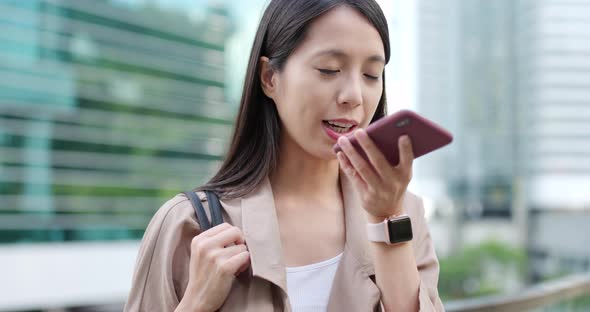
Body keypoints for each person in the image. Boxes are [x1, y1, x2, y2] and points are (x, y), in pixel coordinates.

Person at [125, 0, 444, 311]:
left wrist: (386, 221)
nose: (354, 96)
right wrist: (196, 305)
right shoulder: (189, 224)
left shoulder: (405, 214)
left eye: (372, 75)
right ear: (269, 77)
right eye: (329, 69)